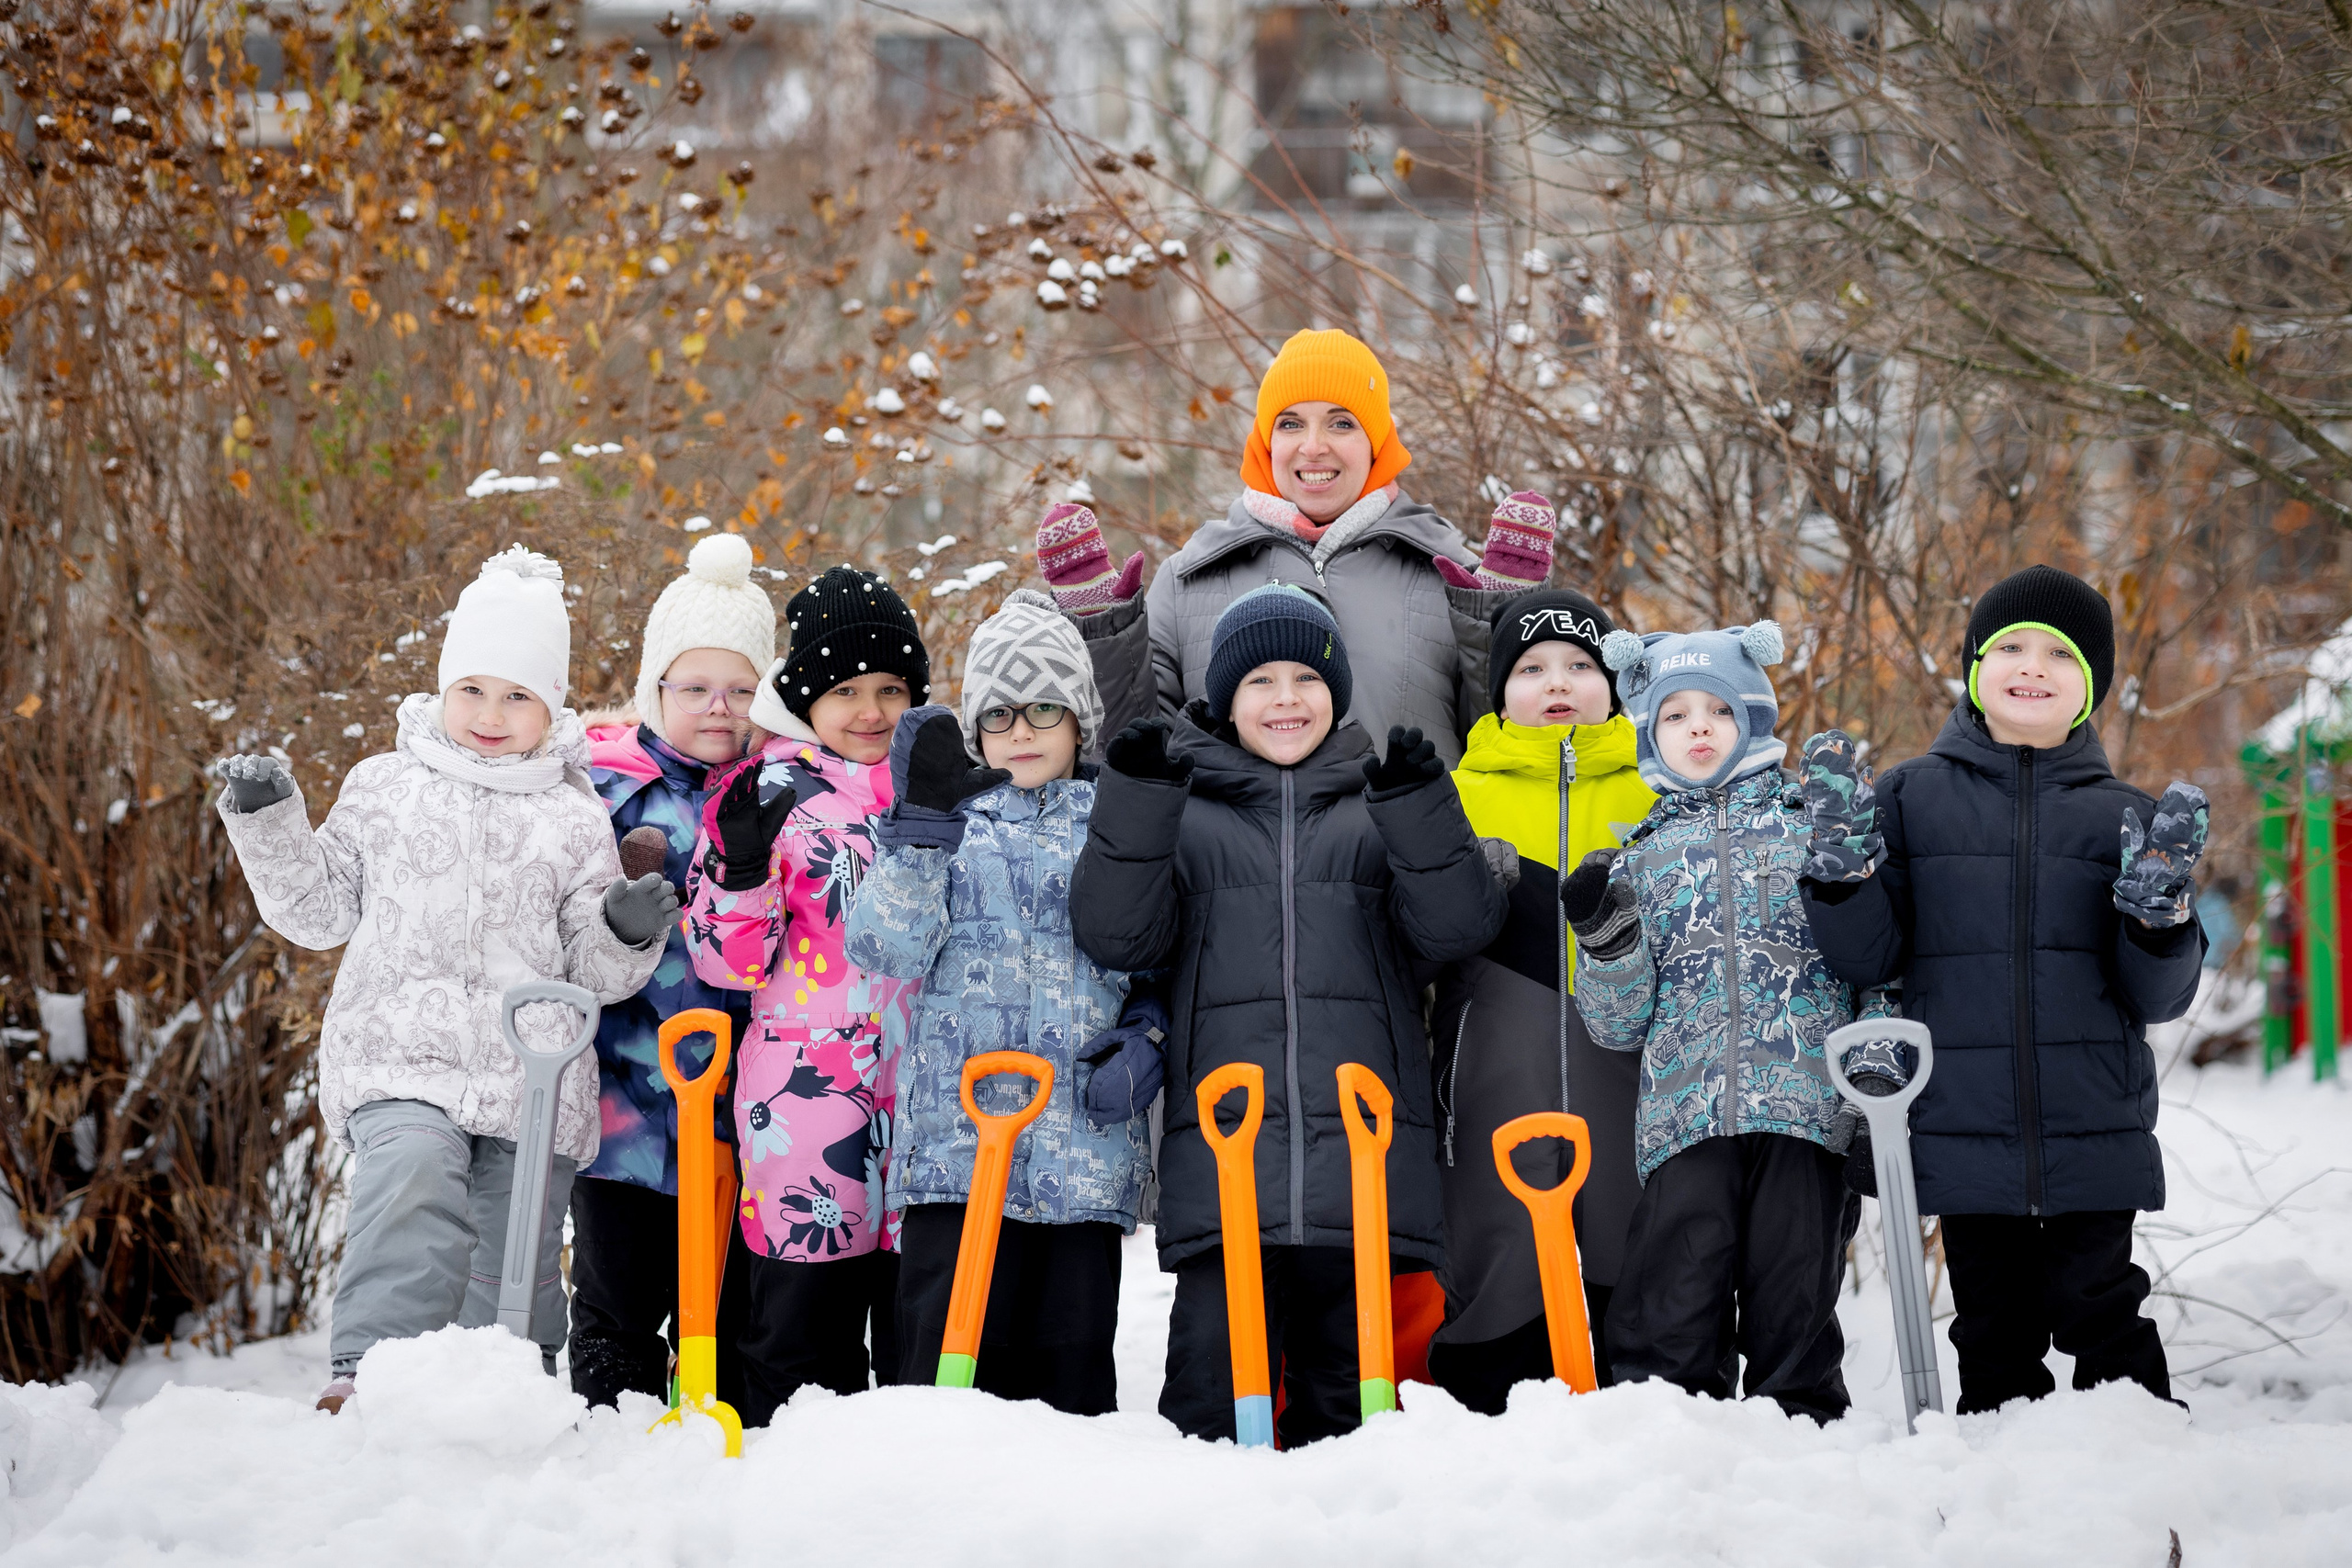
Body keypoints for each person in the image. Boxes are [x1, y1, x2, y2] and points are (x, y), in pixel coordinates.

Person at [215, 547, 673, 1413]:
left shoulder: (574, 814)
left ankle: (503, 1396)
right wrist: (271, 822)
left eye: (517, 696)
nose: (491, 714)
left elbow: (590, 969)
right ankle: (370, 1374)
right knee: (414, 1185)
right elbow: (318, 911)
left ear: (552, 705)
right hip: (402, 1058)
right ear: (442, 686)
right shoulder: (383, 787)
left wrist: (625, 930)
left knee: (518, 1243)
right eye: (474, 690)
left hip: (531, 1078)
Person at [1072, 583, 1507, 1446]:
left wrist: (1424, 811)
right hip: (1226, 1171)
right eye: (1259, 681)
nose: (1284, 699)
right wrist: (1137, 799)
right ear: (1226, 701)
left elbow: (1458, 926)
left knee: (1354, 1417)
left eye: (1305, 678)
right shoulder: (1186, 815)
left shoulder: (1378, 808)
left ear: (1337, 694)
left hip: (1365, 1168)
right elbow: (1118, 933)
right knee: (1209, 1403)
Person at [1798, 564, 2208, 1413]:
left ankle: (2143, 1479)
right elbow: (1870, 958)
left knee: (2104, 1309)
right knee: (1991, 1328)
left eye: (2059, 654)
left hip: (2093, 1124)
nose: (2032, 664)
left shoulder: (2124, 816)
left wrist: (2157, 922)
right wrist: (1842, 880)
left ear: (2089, 686)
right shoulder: (1909, 798)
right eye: (2010, 645)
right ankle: (1998, 1502)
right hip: (1959, 1122)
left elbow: (2157, 998)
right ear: (1973, 667)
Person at [1565, 619, 1893, 1424]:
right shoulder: (1639, 858)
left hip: (1806, 1109)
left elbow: (1877, 957)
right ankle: (1664, 1437)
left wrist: (1876, 1086)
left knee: (1795, 1298)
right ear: (1649, 732)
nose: (1699, 727)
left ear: (1753, 714)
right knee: (1673, 1298)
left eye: (1716, 707)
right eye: (1675, 715)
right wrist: (1607, 940)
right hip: (1685, 1117)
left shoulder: (1810, 827)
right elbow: (1617, 1025)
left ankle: (1804, 1440)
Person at [844, 590, 1152, 1414]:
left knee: (1068, 1384)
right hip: (955, 1153)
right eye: (1001, 712)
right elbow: (882, 948)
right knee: (944, 1371)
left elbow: (1154, 945)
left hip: (1080, 1150)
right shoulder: (948, 823)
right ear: (976, 728)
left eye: (1045, 708)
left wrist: (1147, 1030)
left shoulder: (1115, 824)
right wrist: (918, 836)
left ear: (1079, 720)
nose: (1021, 730)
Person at [1035, 329, 1563, 763]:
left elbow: (1517, 761)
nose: (1314, 447)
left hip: (1410, 884)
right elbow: (1131, 762)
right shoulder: (1189, 579)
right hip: (1232, 886)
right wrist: (1103, 635)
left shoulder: (1452, 581)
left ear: (1376, 441)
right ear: (1266, 442)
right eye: (1291, 424)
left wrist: (1499, 621)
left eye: (1341, 422)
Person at [682, 563, 929, 1426]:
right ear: (806, 699)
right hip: (804, 1100)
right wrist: (740, 864)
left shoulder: (944, 791)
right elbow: (726, 962)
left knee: (918, 1328)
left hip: (929, 1097)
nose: (871, 711)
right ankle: (782, 1494)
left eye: (892, 687)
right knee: (799, 1326)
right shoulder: (772, 794)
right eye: (847, 689)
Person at [1428, 590, 1657, 1410]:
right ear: (1497, 691)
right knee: (1499, 1259)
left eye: (1580, 664)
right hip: (1492, 1084)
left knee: (1637, 1264)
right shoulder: (1457, 794)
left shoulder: (1653, 787)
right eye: (1530, 668)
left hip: (1626, 1091)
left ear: (1614, 683)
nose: (1557, 681)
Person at [571, 533, 772, 1410]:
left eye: (741, 689)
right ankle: (610, 1440)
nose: (718, 708)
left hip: (749, 1117)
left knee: (727, 1311)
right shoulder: (603, 790)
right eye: (694, 688)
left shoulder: (784, 790)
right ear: (655, 689)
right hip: (626, 1113)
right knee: (619, 1304)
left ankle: (717, 1461)